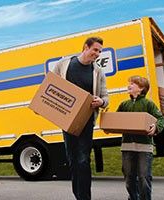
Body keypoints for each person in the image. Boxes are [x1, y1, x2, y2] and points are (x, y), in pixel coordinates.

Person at [52, 36, 109, 200]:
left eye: (100, 51)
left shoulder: (97, 72)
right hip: (67, 121)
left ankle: (85, 197)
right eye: (95, 50)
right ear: (85, 47)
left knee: (83, 160)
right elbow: (51, 85)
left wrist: (101, 101)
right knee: (72, 160)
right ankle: (79, 196)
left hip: (86, 121)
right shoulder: (64, 64)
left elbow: (105, 96)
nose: (97, 54)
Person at [116, 75, 164, 200]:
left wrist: (156, 127)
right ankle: (133, 197)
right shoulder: (124, 105)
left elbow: (160, 119)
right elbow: (116, 120)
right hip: (127, 146)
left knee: (144, 177)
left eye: (132, 83)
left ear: (141, 88)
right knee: (128, 177)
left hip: (144, 147)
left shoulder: (148, 104)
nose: (129, 85)